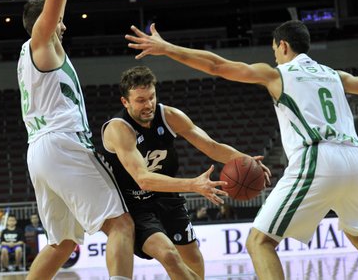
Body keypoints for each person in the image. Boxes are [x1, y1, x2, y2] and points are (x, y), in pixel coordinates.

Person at [125, 20, 358, 280]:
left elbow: (217, 65)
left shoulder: (278, 73)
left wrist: (167, 49)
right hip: (354, 160)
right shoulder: (333, 74)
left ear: (283, 46)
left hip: (318, 157)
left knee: (259, 242)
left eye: (275, 49)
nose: (274, 54)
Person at [17, 0, 138, 279]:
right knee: (121, 224)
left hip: (39, 150)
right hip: (62, 144)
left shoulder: (31, 54)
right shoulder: (43, 43)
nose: (64, 25)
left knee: (63, 242)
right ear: (47, 20)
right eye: (59, 19)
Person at [100, 66, 270, 280]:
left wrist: (245, 160)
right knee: (169, 255)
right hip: (134, 205)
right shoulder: (119, 128)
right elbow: (143, 179)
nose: (149, 104)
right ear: (125, 102)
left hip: (167, 198)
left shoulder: (169, 115)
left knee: (193, 258)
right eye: (141, 100)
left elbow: (212, 146)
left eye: (151, 97)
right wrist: (193, 185)